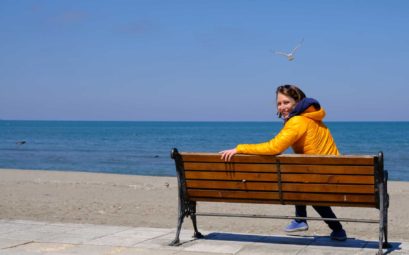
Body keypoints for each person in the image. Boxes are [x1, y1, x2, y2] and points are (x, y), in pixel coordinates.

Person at [219, 84, 347, 241]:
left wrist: (240, 148)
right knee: (301, 178)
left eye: (286, 102)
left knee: (296, 177)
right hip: (335, 176)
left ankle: (301, 219)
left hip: (321, 178)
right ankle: (335, 229)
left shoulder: (297, 121)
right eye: (279, 103)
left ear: (297, 102)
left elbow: (274, 147)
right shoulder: (315, 120)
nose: (282, 107)